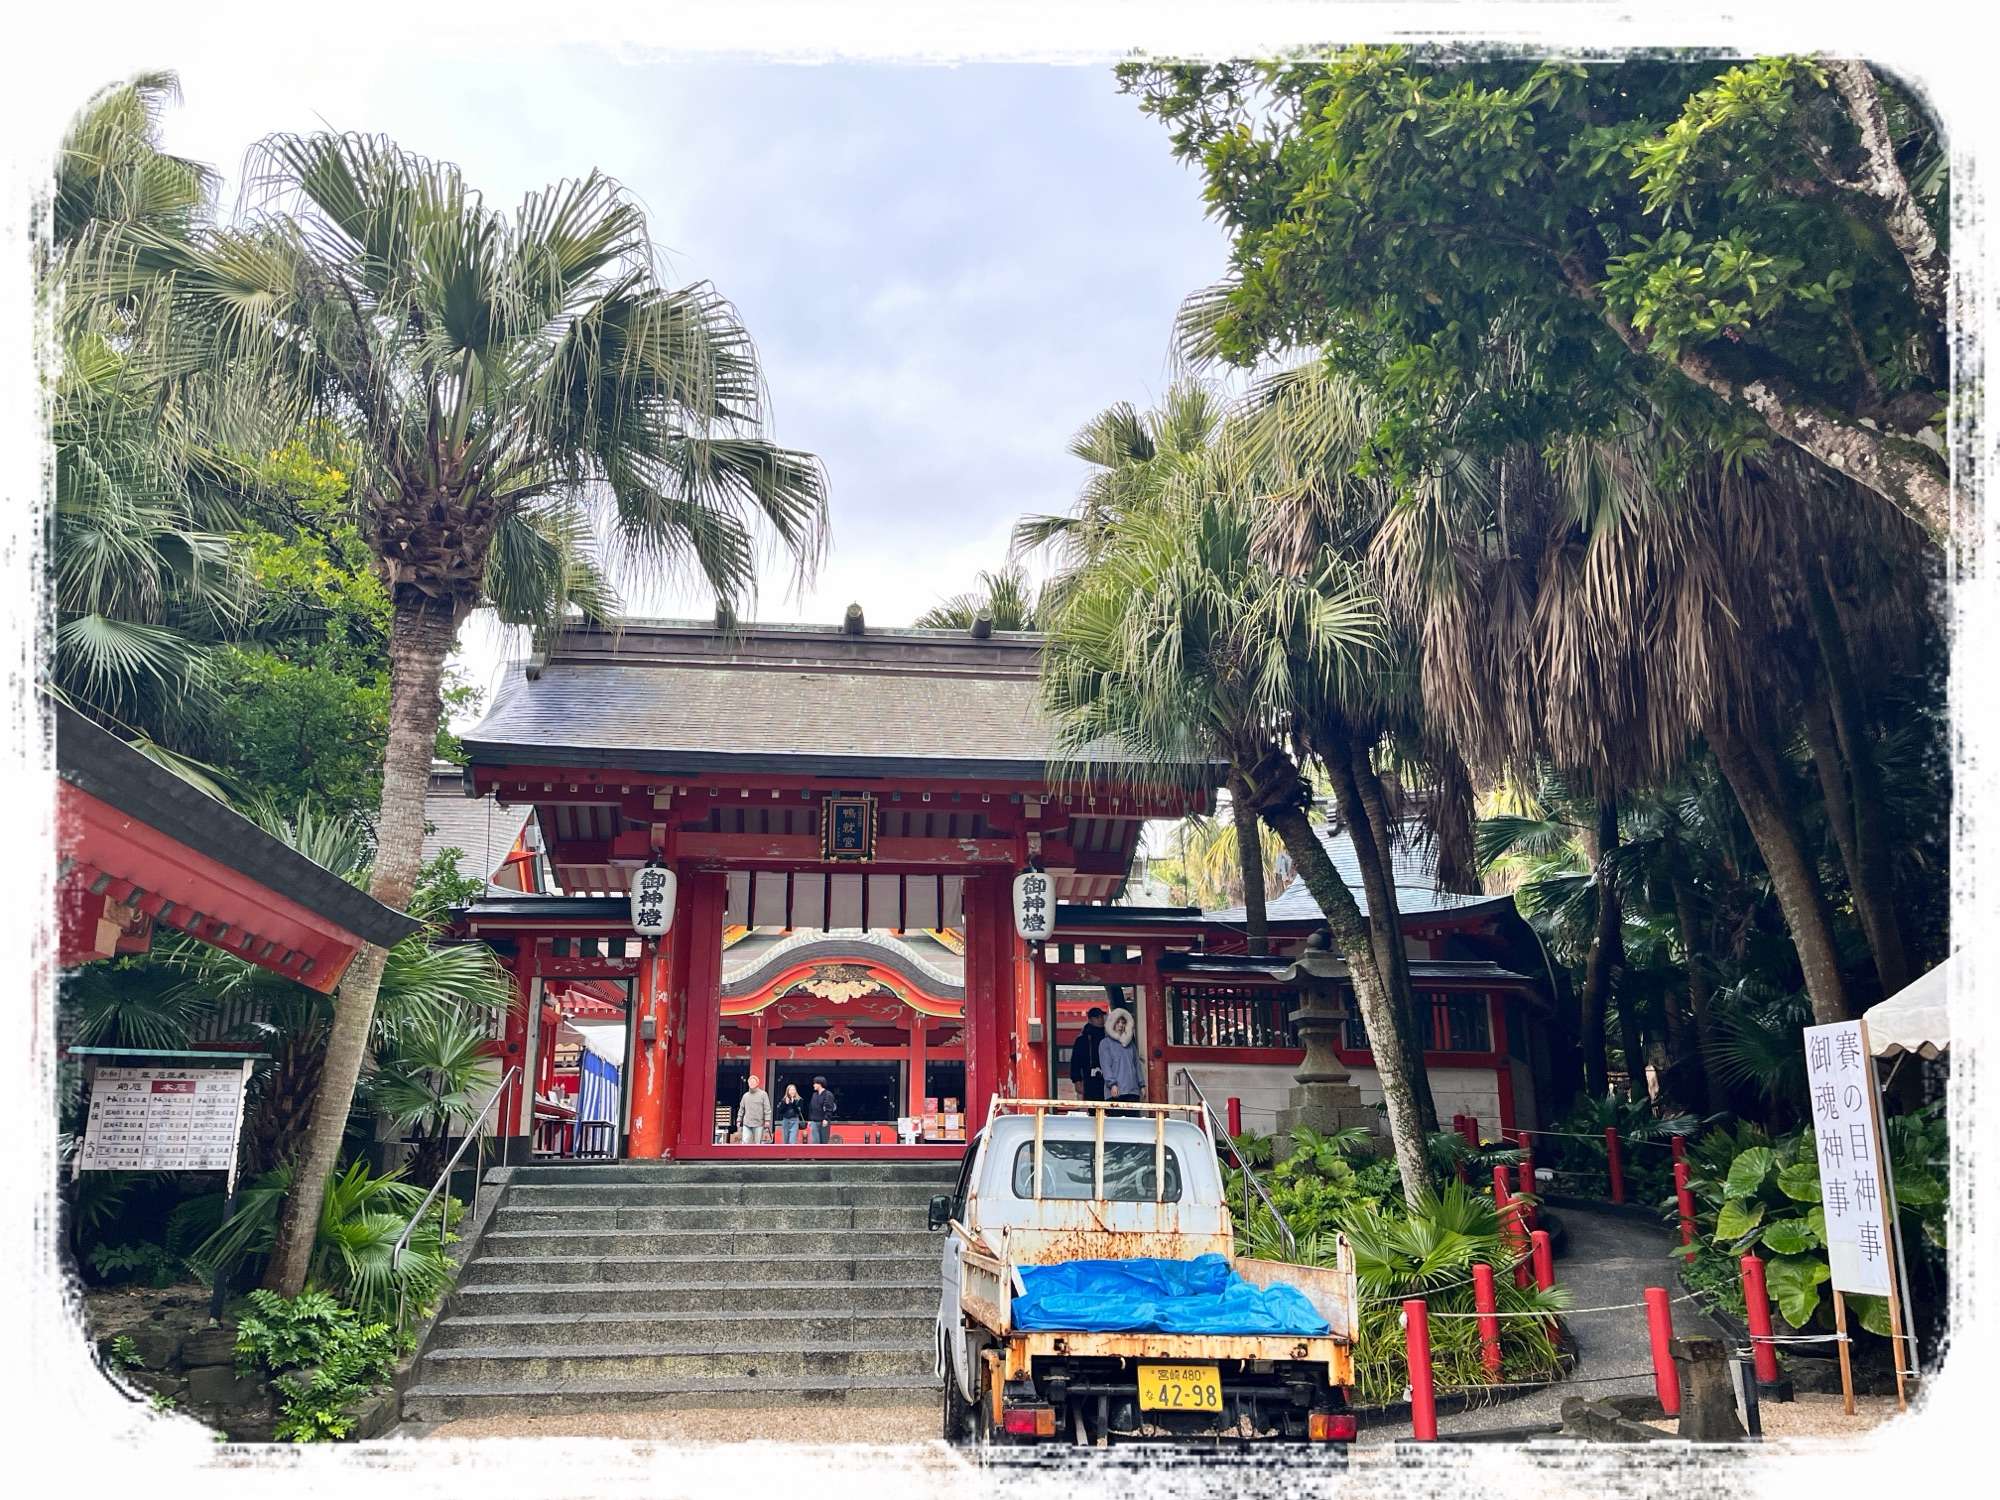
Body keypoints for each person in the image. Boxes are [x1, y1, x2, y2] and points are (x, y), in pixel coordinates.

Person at [1098, 1008, 1144, 1102]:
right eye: (1117, 1022)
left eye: (1123, 1022)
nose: (1121, 1025)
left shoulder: (1131, 1044)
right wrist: (1112, 1084)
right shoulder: (1105, 1043)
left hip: (1133, 1091)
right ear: (1112, 1023)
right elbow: (1106, 1066)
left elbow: (1137, 1065)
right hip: (1115, 1091)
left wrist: (1142, 1085)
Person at [1069, 1008, 1107, 1101]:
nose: (1101, 1019)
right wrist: (1077, 1080)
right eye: (1097, 1017)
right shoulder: (1082, 1039)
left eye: (1101, 1017)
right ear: (1090, 1019)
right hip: (1089, 1080)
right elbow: (1075, 1062)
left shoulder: (1108, 1037)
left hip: (1107, 1079)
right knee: (1093, 1105)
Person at [736, 1072, 772, 1145]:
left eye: (753, 1082)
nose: (751, 1083)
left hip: (759, 1123)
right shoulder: (745, 1096)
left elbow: (767, 1108)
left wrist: (767, 1120)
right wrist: (739, 1120)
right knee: (745, 1142)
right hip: (747, 1123)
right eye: (750, 1082)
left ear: (757, 1083)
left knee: (757, 1144)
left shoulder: (763, 1094)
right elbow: (741, 1109)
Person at [807, 1074, 838, 1144]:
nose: (813, 1085)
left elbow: (829, 1108)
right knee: (815, 1141)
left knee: (824, 1141)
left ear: (820, 1084)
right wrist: (810, 1119)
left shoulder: (828, 1094)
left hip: (823, 1121)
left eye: (815, 1083)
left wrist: (826, 1119)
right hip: (814, 1121)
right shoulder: (814, 1095)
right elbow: (811, 1107)